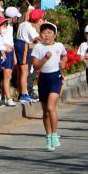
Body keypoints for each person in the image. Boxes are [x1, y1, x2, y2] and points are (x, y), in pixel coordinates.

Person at [31, 22, 67, 151]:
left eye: (49, 33)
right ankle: (49, 136)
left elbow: (64, 55)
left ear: (55, 35)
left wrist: (63, 62)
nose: (46, 35)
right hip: (43, 79)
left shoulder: (59, 45)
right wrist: (45, 59)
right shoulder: (38, 47)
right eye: (44, 33)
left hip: (55, 78)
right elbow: (36, 66)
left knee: (51, 107)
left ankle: (55, 134)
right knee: (46, 112)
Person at [15, 9, 44, 103]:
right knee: (25, 72)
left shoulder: (23, 24)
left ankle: (21, 93)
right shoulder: (29, 27)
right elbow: (37, 38)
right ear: (36, 20)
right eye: (40, 19)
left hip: (18, 44)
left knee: (20, 71)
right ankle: (24, 94)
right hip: (24, 46)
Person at [0, 7, 22, 106]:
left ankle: (4, 96)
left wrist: (14, 56)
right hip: (4, 52)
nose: (17, 19)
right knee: (6, 76)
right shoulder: (3, 26)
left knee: (7, 75)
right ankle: (8, 98)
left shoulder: (10, 26)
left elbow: (10, 42)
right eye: (16, 17)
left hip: (10, 52)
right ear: (13, 17)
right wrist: (3, 49)